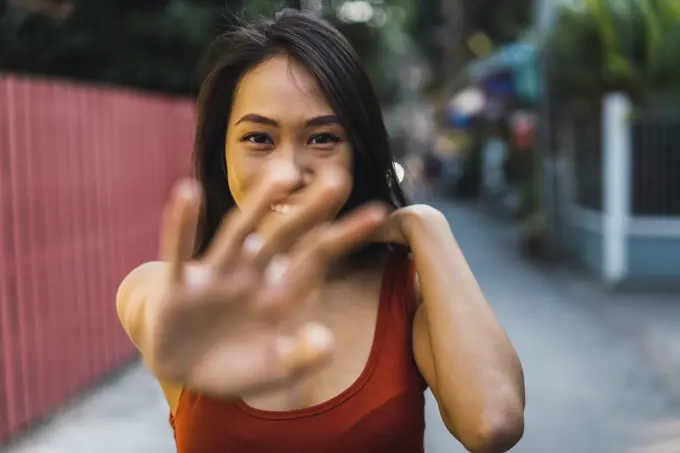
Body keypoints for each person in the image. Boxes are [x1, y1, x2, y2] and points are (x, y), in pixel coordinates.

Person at [116, 9, 525, 453]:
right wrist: (181, 332)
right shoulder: (170, 290)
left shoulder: (408, 293)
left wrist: (425, 225)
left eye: (322, 138)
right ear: (222, 154)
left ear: (359, 151)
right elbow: (158, 310)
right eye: (259, 138)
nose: (290, 172)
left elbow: (493, 424)